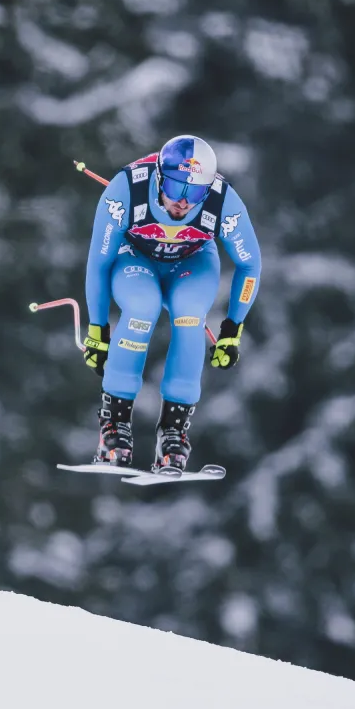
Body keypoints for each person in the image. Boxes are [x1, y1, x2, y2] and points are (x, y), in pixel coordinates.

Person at [82, 134, 261, 473]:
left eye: (194, 193)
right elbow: (99, 262)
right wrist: (97, 329)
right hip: (134, 258)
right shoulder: (127, 189)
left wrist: (232, 328)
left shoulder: (223, 200)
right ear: (160, 176)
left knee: (190, 314)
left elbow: (250, 264)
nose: (183, 202)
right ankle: (113, 427)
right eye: (177, 188)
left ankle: (174, 433)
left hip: (191, 262)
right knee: (141, 307)